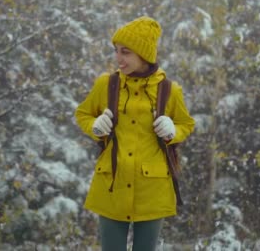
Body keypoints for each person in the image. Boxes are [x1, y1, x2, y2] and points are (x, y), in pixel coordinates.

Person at [75, 16, 196, 251]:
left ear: (144, 55)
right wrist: (95, 127)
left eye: (126, 52)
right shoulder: (106, 84)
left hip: (152, 189)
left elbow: (186, 124)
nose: (118, 58)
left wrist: (173, 131)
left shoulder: (169, 90)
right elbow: (83, 114)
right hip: (112, 184)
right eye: (116, 51)